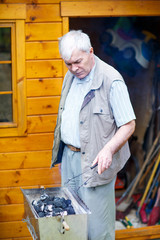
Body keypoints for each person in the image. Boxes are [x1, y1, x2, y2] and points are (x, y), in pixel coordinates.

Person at [51, 30, 136, 240]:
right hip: (70, 159)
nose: (74, 68)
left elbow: (129, 124)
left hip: (96, 163)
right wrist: (63, 153)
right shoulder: (69, 77)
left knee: (97, 229)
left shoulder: (111, 80)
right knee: (70, 222)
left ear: (91, 51)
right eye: (68, 64)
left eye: (77, 62)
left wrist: (108, 149)